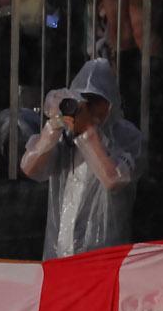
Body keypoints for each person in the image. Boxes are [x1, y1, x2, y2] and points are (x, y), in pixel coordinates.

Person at [20, 58, 146, 256]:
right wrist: (52, 128)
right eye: (83, 101)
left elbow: (113, 180)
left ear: (112, 103)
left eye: (96, 101)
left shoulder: (126, 137)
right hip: (59, 256)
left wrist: (88, 132)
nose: (88, 109)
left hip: (103, 257)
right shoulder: (65, 136)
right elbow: (30, 168)